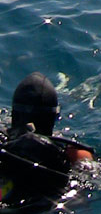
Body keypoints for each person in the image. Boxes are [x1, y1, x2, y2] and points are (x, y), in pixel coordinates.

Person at [0, 73, 94, 206]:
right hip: (45, 211)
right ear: (54, 117)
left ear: (14, 113)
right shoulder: (73, 154)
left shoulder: (4, 143)